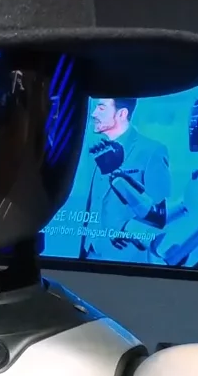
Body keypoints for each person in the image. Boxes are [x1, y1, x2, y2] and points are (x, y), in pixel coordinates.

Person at [68, 96, 170, 262]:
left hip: (125, 261)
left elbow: (162, 218)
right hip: (87, 254)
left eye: (101, 108)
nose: (94, 113)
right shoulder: (94, 148)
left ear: (122, 113)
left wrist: (126, 228)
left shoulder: (152, 151)